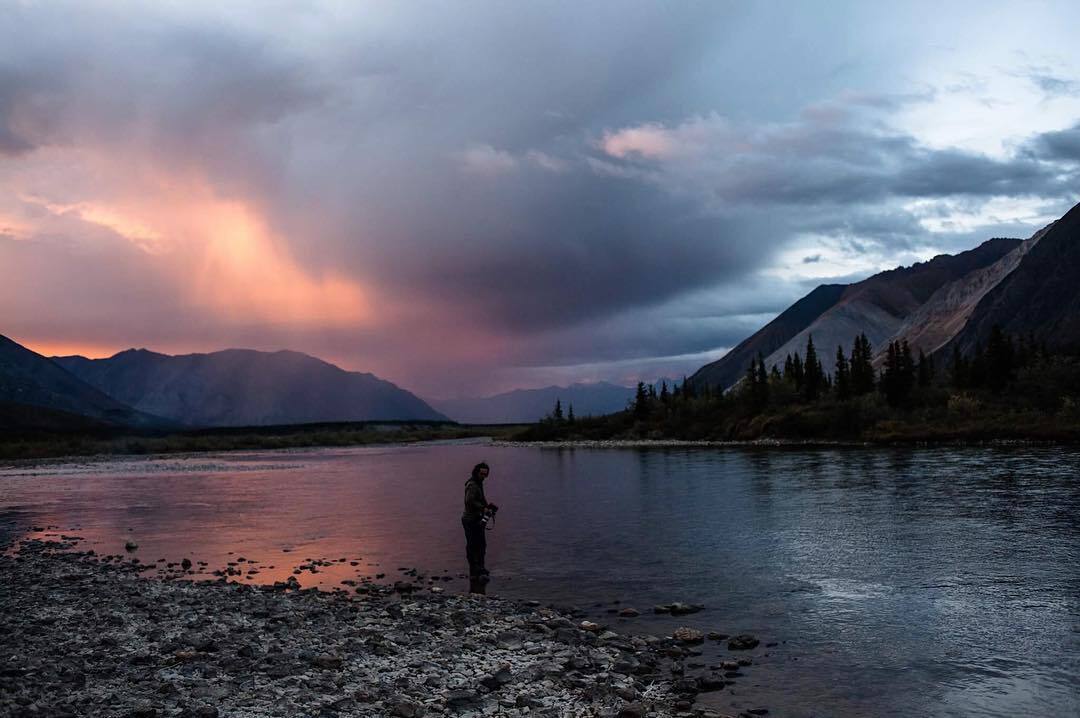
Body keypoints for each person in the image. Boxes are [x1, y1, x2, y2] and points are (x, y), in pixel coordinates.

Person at [462, 462, 498, 580]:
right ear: (476, 472)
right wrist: (484, 508)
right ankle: (474, 570)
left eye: (485, 474)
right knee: (473, 545)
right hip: (470, 520)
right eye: (482, 473)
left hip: (477, 519)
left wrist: (487, 506)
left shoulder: (478, 483)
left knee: (481, 545)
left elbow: (479, 500)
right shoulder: (472, 485)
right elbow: (469, 501)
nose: (483, 476)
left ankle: (480, 568)